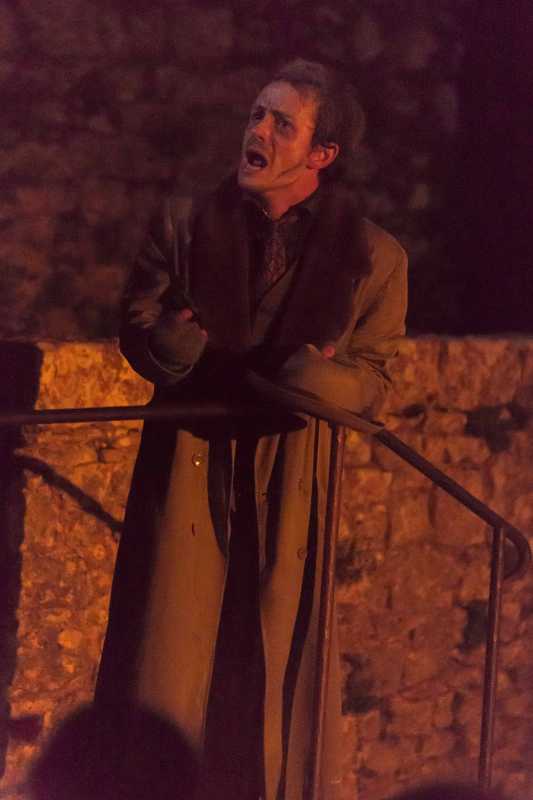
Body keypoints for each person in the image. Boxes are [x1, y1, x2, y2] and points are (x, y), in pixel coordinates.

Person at [95, 59, 408, 800]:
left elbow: (374, 379)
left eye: (281, 123)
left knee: (266, 666)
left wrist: (313, 377)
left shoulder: (374, 257)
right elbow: (138, 328)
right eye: (256, 115)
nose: (257, 131)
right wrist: (174, 340)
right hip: (189, 463)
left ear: (321, 154)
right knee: (168, 651)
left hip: (289, 476)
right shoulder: (184, 225)